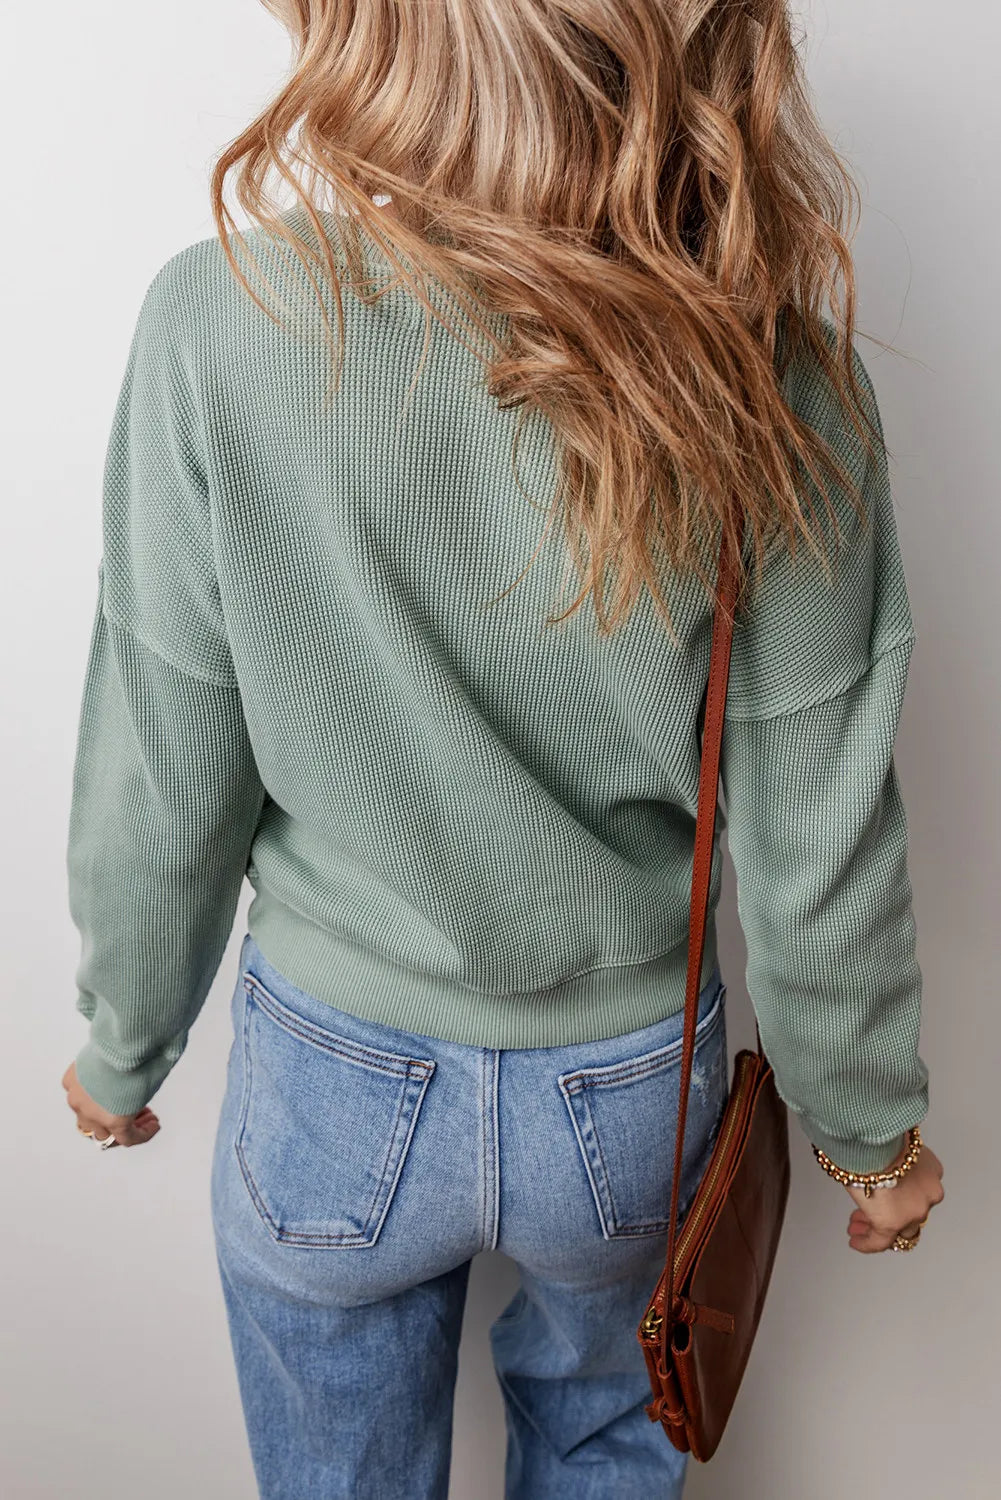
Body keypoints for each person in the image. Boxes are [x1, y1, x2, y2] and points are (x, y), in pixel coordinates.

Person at [61, 0, 944, 1495]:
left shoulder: (217, 322)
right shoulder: (776, 372)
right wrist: (873, 1133)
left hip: (330, 1077)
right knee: (607, 1447)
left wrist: (123, 1038)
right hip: (626, 1091)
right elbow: (817, 832)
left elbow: (170, 751)